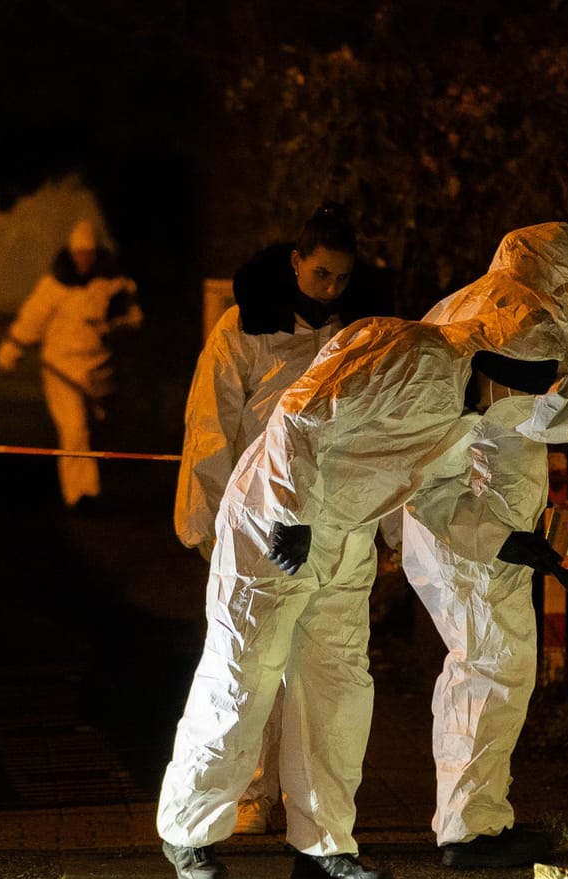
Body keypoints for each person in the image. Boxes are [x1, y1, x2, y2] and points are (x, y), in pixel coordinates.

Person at [156, 313, 568, 879]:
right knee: (244, 671)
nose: (517, 402)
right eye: (522, 386)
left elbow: (436, 493)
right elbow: (301, 415)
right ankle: (189, 829)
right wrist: (291, 511)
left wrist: (505, 540)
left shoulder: (465, 410)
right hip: (272, 526)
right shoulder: (413, 354)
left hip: (346, 534)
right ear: (500, 368)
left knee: (337, 688)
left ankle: (323, 848)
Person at [402, 222, 568, 868]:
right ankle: (471, 831)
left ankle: (467, 817)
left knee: (472, 665)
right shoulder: (529, 315)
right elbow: (539, 412)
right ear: (557, 273)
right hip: (480, 517)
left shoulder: (456, 303)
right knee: (496, 669)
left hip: (436, 514)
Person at [176, 204, 390, 836]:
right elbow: (209, 422)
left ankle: (312, 805)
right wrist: (203, 520)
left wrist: (395, 529)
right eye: (321, 274)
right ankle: (247, 792)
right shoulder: (245, 329)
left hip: (335, 518)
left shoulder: (363, 330)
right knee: (250, 661)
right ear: (296, 262)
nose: (330, 289)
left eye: (341, 279)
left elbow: (383, 433)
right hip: (257, 515)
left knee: (323, 669)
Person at [0, 219, 143, 511]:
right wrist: (12, 348)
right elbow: (32, 319)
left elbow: (135, 318)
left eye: (88, 254)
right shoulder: (53, 286)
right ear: (70, 254)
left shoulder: (115, 285)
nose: (83, 259)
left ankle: (93, 488)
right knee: (74, 431)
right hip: (61, 370)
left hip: (99, 373)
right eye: (78, 254)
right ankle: (82, 495)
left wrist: (115, 325)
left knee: (92, 431)